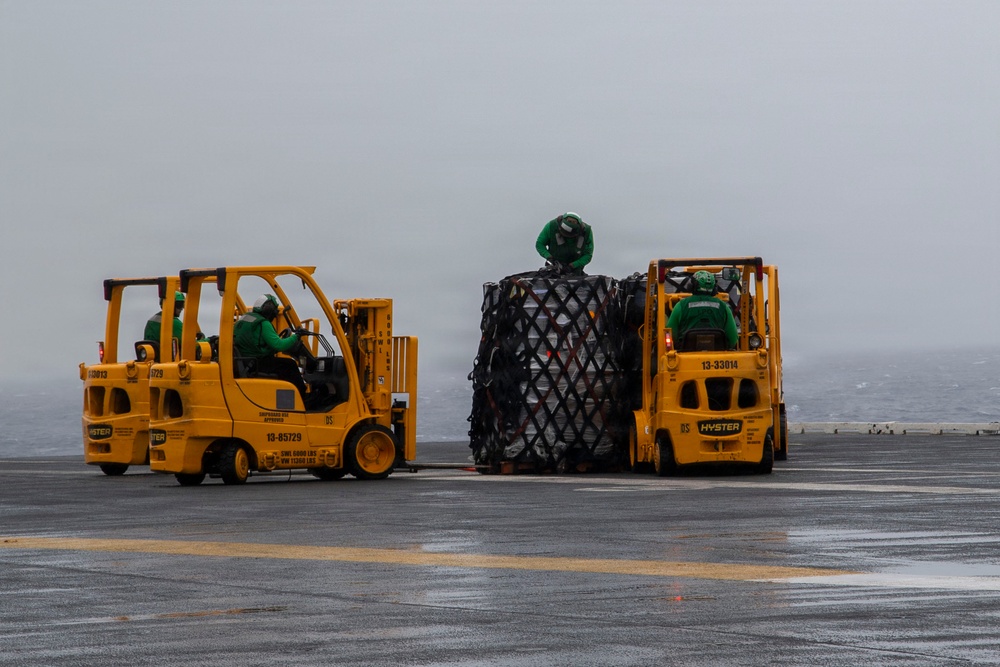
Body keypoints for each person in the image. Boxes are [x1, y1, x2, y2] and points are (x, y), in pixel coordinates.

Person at [233, 294, 308, 397]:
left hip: (245, 361)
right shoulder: (263, 323)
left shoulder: (244, 319)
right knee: (290, 365)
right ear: (269, 309)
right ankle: (302, 396)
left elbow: (261, 342)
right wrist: (297, 336)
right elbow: (279, 345)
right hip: (255, 363)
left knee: (281, 365)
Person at [666, 270, 738, 349]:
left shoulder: (680, 306)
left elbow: (671, 333)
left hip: (685, 355)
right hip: (718, 356)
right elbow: (733, 339)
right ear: (714, 288)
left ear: (692, 286)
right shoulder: (724, 307)